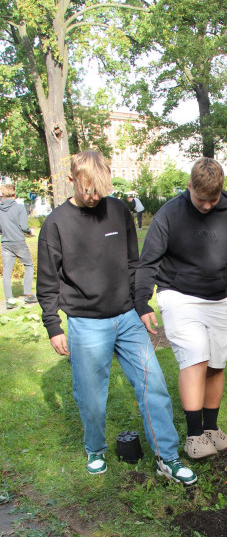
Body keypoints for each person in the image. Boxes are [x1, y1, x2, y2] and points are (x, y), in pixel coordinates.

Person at [36, 150, 197, 486]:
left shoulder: (119, 210)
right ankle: (95, 448)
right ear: (72, 180)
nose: (95, 196)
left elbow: (133, 263)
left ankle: (167, 458)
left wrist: (140, 305)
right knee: (92, 396)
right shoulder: (56, 224)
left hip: (126, 318)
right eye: (87, 189)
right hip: (86, 322)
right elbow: (48, 281)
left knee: (153, 386)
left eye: (100, 189)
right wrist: (53, 325)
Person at [135, 157, 227, 459]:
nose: (206, 206)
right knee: (195, 357)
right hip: (178, 295)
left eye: (213, 200)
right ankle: (194, 436)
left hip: (218, 298)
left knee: (216, 364)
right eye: (200, 199)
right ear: (189, 186)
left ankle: (210, 428)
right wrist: (142, 300)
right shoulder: (170, 214)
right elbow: (148, 261)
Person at [0, 184, 38, 309]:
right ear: (14, 194)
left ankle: (9, 300)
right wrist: (30, 232)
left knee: (7, 272)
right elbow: (24, 227)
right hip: (19, 242)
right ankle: (28, 295)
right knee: (28, 265)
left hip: (5, 243)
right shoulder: (19, 208)